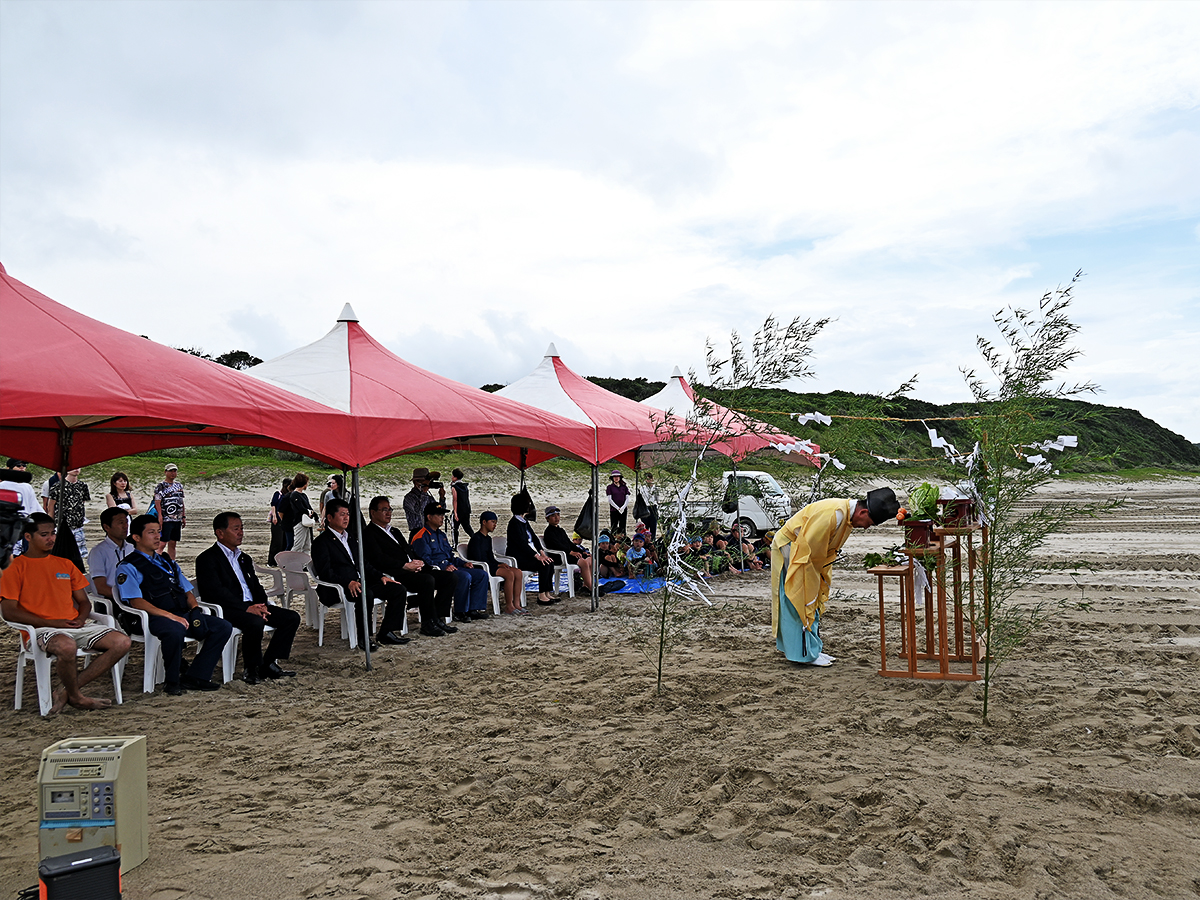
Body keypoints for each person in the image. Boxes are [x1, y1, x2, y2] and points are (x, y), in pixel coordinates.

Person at [0, 513, 131, 713]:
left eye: (52, 533)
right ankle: (77, 697)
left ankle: (66, 691)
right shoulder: (15, 568)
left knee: (122, 642)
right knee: (66, 646)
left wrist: (79, 618)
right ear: (28, 536)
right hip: (39, 630)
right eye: (44, 534)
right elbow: (9, 612)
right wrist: (53, 622)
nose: (51, 538)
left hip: (72, 625)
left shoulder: (65, 564)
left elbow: (84, 602)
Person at [770, 487, 900, 667]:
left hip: (810, 557)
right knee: (799, 597)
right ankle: (803, 654)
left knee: (812, 599)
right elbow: (809, 553)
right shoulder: (833, 514)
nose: (864, 527)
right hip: (793, 549)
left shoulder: (846, 516)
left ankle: (812, 649)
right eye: (868, 523)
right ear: (862, 511)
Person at [116, 514, 232, 695]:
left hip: (180, 613)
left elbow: (187, 590)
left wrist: (195, 610)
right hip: (153, 618)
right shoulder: (129, 566)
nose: (157, 536)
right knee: (174, 631)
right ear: (137, 537)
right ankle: (172, 681)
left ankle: (196, 676)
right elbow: (135, 601)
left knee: (223, 627)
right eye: (151, 532)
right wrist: (169, 616)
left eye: (158, 532)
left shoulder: (167, 561)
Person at [195, 512, 301, 683]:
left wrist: (262, 604)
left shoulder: (244, 558)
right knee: (255, 622)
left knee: (291, 618)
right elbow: (215, 592)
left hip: (252, 605)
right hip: (227, 609)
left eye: (242, 528)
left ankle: (268, 663)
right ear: (220, 533)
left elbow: (255, 586)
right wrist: (246, 608)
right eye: (236, 529)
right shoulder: (207, 559)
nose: (241, 533)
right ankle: (251, 668)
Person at [311, 498, 411, 651]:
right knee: (366, 594)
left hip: (361, 582)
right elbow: (325, 573)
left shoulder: (350, 538)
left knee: (397, 590)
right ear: (329, 518)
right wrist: (347, 582)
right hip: (338, 587)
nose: (346, 518)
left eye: (348, 514)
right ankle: (363, 637)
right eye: (342, 514)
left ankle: (386, 632)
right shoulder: (321, 543)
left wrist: (380, 576)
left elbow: (363, 564)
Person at [362, 495, 457, 637]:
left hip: (411, 569)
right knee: (426, 580)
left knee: (449, 578)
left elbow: (408, 551)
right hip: (395, 572)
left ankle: (437, 617)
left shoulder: (394, 531)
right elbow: (378, 558)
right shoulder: (369, 533)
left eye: (390, 509)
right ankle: (427, 622)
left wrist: (417, 563)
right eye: (384, 510)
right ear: (373, 512)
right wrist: (405, 565)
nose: (388, 513)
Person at [411, 503, 489, 623]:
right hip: (436, 571)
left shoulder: (441, 535)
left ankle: (473, 609)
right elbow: (425, 560)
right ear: (429, 517)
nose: (442, 517)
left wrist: (463, 563)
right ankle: (460, 611)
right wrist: (444, 567)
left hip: (451, 566)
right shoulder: (421, 536)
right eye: (439, 515)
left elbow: (450, 556)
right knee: (464, 576)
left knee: (481, 574)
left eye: (443, 514)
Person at [467, 511, 526, 615]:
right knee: (509, 574)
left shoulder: (488, 538)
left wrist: (500, 564)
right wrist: (496, 566)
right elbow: (479, 559)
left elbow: (491, 557)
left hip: (490, 565)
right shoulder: (476, 538)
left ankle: (517, 604)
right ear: (484, 522)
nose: (495, 525)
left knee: (518, 572)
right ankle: (509, 606)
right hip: (482, 567)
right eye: (493, 522)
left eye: (496, 522)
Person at [505, 495, 559, 607]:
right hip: (519, 557)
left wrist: (542, 553)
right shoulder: (514, 523)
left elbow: (534, 538)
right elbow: (522, 544)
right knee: (543, 564)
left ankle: (547, 592)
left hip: (528, 555)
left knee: (549, 561)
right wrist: (537, 556)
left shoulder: (524, 521)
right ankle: (541, 595)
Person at [542, 505, 593, 592]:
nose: (556, 517)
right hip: (559, 556)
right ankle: (592, 588)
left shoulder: (561, 530)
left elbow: (570, 543)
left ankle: (585, 585)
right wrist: (570, 552)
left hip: (568, 553)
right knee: (583, 562)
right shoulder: (549, 532)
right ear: (547, 518)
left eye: (558, 515)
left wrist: (582, 551)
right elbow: (557, 546)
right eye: (553, 516)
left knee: (590, 559)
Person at [47, 468, 91, 563]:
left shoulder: (82, 486)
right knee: (61, 554)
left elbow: (82, 502)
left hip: (78, 525)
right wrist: (51, 524)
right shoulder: (58, 486)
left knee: (78, 556)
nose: (76, 469)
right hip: (62, 525)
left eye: (78, 467)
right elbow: (51, 506)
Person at [89, 507, 133, 600]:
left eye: (126, 522)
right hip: (111, 599)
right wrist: (129, 597)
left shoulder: (132, 548)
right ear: (107, 527)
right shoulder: (98, 552)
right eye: (121, 523)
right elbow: (101, 588)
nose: (126, 526)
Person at [152, 464, 186, 560]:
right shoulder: (160, 486)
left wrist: (183, 516)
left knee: (173, 543)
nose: (173, 473)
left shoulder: (179, 485)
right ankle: (155, 562)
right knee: (162, 543)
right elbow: (157, 501)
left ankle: (172, 563)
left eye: (174, 471)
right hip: (166, 518)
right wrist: (160, 516)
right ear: (165, 472)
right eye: (171, 471)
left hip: (177, 518)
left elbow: (181, 501)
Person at [287, 472, 315, 555]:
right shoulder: (294, 495)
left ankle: (304, 564)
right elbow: (301, 509)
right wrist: (309, 512)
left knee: (307, 545)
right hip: (299, 522)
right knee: (298, 545)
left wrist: (313, 514)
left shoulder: (303, 495)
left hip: (306, 523)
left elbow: (308, 507)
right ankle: (292, 562)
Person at [268, 476, 293, 565]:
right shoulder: (278, 494)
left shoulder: (290, 495)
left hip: (285, 521)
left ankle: (281, 561)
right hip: (277, 521)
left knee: (284, 542)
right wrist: (274, 516)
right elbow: (273, 505)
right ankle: (271, 561)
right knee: (276, 541)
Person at [403, 468, 434, 535]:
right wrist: (424, 493)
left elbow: (438, 510)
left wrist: (442, 498)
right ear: (416, 482)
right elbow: (419, 510)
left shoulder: (428, 496)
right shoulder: (409, 497)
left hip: (430, 530)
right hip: (417, 532)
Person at [450, 468, 474, 544]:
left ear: (455, 477)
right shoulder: (465, 487)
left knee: (455, 528)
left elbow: (455, 500)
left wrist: (455, 512)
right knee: (467, 527)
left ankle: (455, 544)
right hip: (466, 509)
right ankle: (475, 538)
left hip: (459, 509)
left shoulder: (454, 487)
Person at [637, 472, 659, 540]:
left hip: (653, 506)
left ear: (652, 479)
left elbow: (657, 499)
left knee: (653, 525)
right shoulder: (642, 488)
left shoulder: (655, 488)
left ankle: (653, 539)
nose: (648, 481)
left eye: (649, 479)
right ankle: (645, 539)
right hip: (645, 507)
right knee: (645, 525)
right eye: (646, 479)